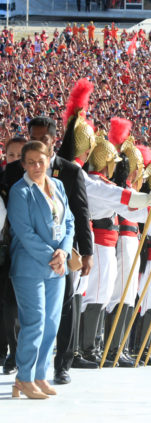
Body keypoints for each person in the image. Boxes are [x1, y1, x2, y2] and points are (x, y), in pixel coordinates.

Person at [2, 115, 94, 386]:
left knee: (59, 315)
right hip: (26, 256)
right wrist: (50, 255)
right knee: (27, 315)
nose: (38, 144)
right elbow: (17, 223)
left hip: (61, 258)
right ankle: (23, 369)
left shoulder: (69, 173)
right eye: (34, 138)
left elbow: (77, 216)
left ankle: (60, 365)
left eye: (44, 139)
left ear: (54, 141)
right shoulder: (16, 172)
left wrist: (79, 252)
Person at [8, 141, 75, 399]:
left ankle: (39, 375)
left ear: (49, 160)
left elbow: (68, 221)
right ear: (23, 164)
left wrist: (64, 252)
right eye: (31, 162)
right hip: (29, 267)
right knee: (34, 322)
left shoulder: (57, 186)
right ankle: (24, 378)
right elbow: (24, 233)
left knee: (50, 324)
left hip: (56, 268)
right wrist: (53, 256)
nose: (37, 166)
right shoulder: (19, 191)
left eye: (41, 161)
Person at [1, 136, 26, 374]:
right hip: (3, 248)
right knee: (6, 304)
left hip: (24, 249)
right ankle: (7, 350)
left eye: (20, 157)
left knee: (18, 305)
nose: (15, 161)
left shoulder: (32, 183)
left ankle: (18, 354)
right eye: (10, 156)